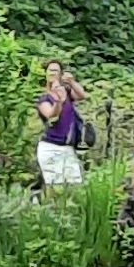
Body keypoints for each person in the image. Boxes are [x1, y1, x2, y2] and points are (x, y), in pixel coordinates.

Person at [36, 59, 89, 190]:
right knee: (55, 187)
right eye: (50, 70)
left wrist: (71, 82)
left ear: (61, 74)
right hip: (50, 148)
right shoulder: (44, 99)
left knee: (76, 185)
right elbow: (52, 117)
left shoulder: (68, 92)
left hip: (67, 148)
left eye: (56, 70)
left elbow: (82, 96)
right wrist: (58, 101)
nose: (53, 73)